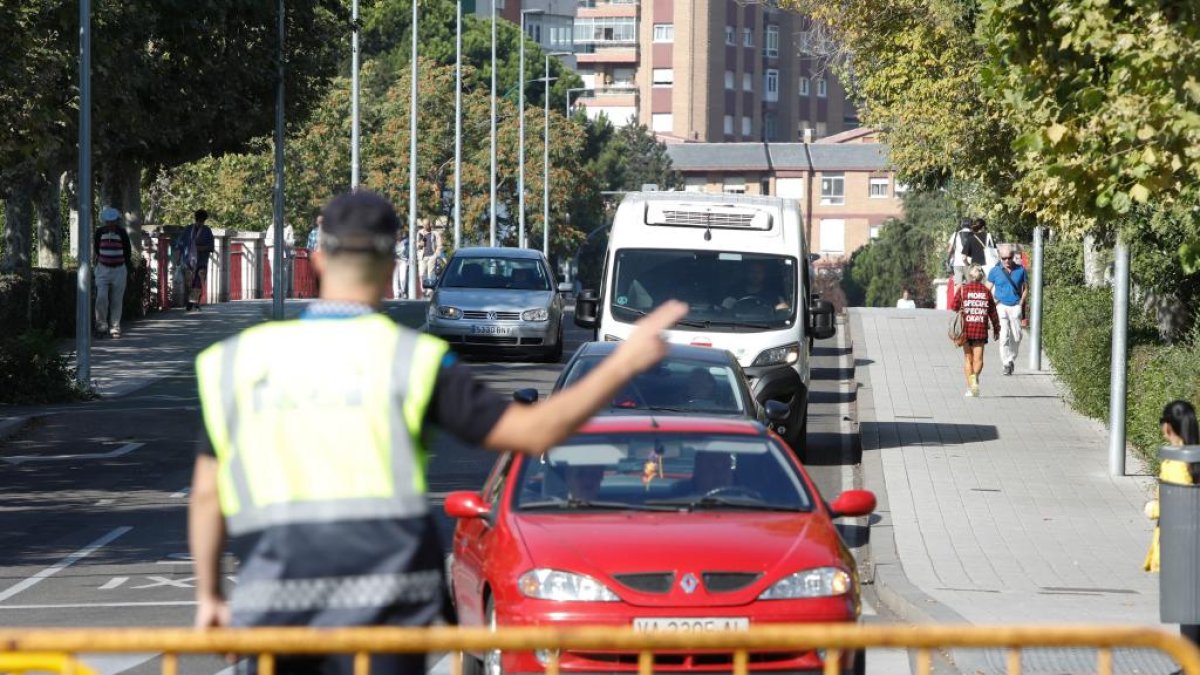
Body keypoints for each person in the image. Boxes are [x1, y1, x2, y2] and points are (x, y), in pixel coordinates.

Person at [188, 191, 686, 675]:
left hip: (273, 607)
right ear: (391, 267)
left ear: (318, 259)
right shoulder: (412, 360)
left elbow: (208, 494)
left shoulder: (235, 361)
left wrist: (210, 596)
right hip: (385, 612)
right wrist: (622, 364)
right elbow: (535, 431)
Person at [1143, 401, 1200, 658]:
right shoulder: (1194, 456)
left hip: (1182, 543)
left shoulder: (1177, 462)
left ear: (1168, 427)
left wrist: (1152, 508)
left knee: (1188, 609)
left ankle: (1191, 665)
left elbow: (1175, 500)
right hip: (1192, 540)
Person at [950, 265, 999, 397]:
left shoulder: (963, 289)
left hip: (966, 329)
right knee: (979, 359)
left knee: (968, 358)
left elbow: (954, 306)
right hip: (980, 329)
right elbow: (993, 312)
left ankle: (971, 388)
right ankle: (975, 378)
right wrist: (996, 329)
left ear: (969, 276)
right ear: (982, 277)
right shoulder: (986, 291)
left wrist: (965, 306)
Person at [986, 244, 1027, 375]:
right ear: (1000, 257)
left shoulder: (1021, 270)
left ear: (1013, 256)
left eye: (1009, 258)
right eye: (1004, 258)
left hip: (1015, 306)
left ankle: (1011, 358)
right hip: (1001, 306)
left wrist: (1021, 302)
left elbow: (1026, 288)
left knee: (1017, 336)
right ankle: (1006, 363)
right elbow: (987, 289)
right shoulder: (995, 271)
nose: (1007, 261)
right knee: (1004, 336)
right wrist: (991, 303)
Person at [93, 207, 132, 338]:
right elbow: (97, 249)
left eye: (113, 221)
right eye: (108, 221)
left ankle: (115, 327)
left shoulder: (122, 233)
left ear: (117, 221)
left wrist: (126, 267)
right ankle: (101, 326)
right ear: (105, 222)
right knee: (101, 297)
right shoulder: (99, 233)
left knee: (116, 300)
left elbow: (127, 251)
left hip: (119, 270)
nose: (110, 224)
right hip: (103, 269)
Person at [176, 210, 215, 312]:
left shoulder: (207, 231)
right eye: (199, 221)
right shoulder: (188, 230)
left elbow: (211, 247)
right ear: (196, 219)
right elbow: (179, 245)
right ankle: (195, 302)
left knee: (198, 282)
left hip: (202, 261)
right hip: (189, 261)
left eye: (202, 221)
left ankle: (192, 302)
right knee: (190, 283)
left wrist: (200, 248)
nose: (200, 223)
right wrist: (178, 259)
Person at [722, 261, 789, 312]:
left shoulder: (774, 295)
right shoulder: (734, 293)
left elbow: (783, 311)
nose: (755, 275)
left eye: (759, 272)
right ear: (746, 273)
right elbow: (724, 312)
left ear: (764, 274)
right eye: (752, 272)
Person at [416, 218, 443, 295]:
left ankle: (430, 289)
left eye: (426, 224)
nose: (425, 226)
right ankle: (423, 288)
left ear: (429, 224)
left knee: (430, 273)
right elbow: (416, 244)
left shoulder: (435, 233)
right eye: (423, 225)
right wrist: (420, 244)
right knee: (422, 273)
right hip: (423, 256)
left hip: (432, 256)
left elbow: (439, 244)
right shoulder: (420, 233)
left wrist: (436, 254)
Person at [945, 218, 974, 285]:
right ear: (971, 225)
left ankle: (958, 291)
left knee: (958, 285)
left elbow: (949, 250)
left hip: (957, 263)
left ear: (961, 224)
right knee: (970, 285)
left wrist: (949, 259)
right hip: (970, 263)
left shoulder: (956, 234)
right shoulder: (974, 235)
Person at [392, 232, 409, 299]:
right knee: (395, 278)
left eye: (400, 235)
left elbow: (408, 251)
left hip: (403, 261)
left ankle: (403, 291)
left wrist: (408, 259)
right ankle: (396, 293)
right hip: (395, 261)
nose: (398, 236)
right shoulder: (392, 242)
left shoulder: (405, 242)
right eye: (397, 235)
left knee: (403, 278)